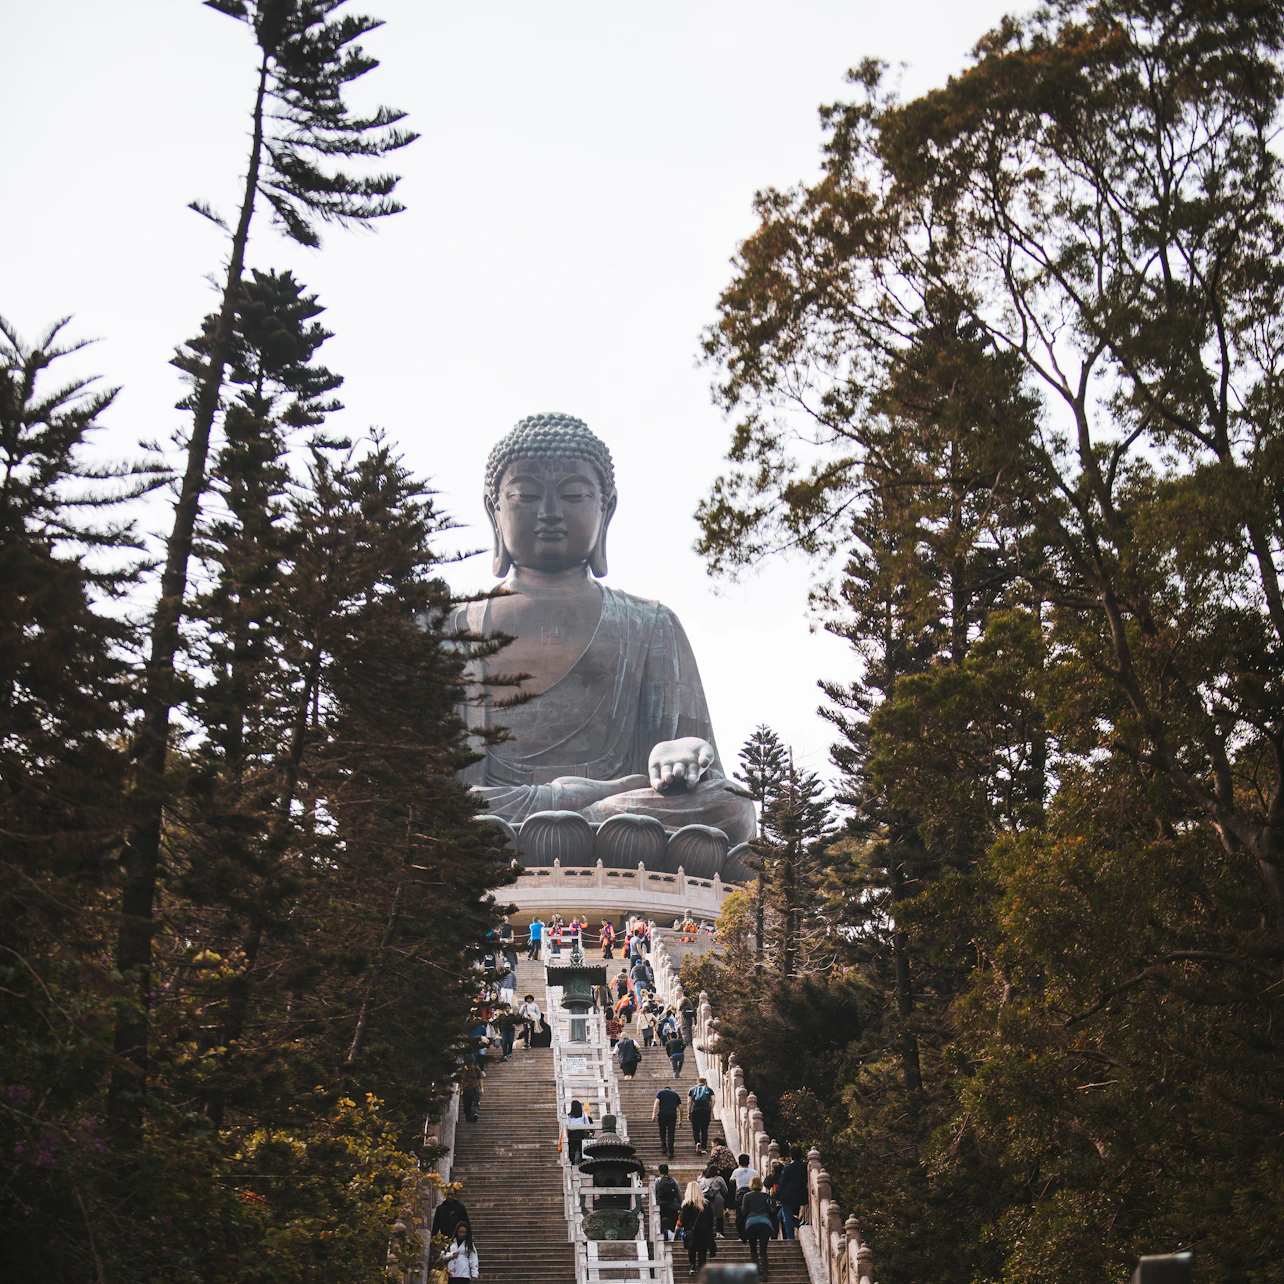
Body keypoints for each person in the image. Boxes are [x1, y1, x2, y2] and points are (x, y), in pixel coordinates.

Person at [740, 1176, 775, 1279]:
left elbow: (744, 1212)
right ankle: (764, 1272)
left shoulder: (747, 1196)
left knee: (753, 1248)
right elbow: (770, 1211)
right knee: (763, 1249)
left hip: (751, 1224)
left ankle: (756, 1271)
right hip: (765, 1223)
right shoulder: (766, 1196)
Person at [678, 1182, 714, 1275]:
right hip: (704, 1231)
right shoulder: (706, 1204)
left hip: (691, 1231)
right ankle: (702, 1268)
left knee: (691, 1249)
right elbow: (711, 1219)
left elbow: (682, 1220)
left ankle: (692, 1266)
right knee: (702, 1251)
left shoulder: (686, 1205)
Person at [775, 1145, 809, 1239]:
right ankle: (800, 1222)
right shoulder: (805, 1167)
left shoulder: (788, 1167)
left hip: (787, 1195)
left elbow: (782, 1181)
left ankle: (790, 1238)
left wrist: (777, 1194)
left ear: (791, 1155)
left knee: (787, 1217)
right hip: (800, 1194)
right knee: (780, 1216)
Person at [654, 1163, 682, 1241]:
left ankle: (663, 1238)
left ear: (659, 1171)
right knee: (672, 1223)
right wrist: (681, 1204)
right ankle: (672, 1238)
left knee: (662, 1223)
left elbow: (655, 1193)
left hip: (661, 1206)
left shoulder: (657, 1181)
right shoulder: (673, 1180)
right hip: (672, 1205)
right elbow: (678, 1194)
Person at [652, 1083, 681, 1158]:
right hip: (672, 1115)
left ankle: (664, 1147)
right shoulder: (675, 1094)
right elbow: (681, 1108)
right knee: (671, 1133)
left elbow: (656, 1103)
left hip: (662, 1114)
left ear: (665, 1088)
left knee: (662, 1131)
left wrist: (654, 1114)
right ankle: (670, 1152)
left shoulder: (660, 1092)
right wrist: (680, 1120)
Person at [700, 1163, 728, 1236]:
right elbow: (725, 1190)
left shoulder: (703, 1180)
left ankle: (708, 1232)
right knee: (719, 1217)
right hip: (718, 1198)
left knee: (708, 1216)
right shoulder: (719, 1178)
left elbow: (700, 1189)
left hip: (707, 1199)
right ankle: (719, 1232)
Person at [687, 1077, 715, 1153]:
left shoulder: (692, 1090)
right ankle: (703, 1148)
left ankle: (697, 1142)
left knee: (696, 1129)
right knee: (704, 1130)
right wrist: (710, 1110)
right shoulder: (709, 1089)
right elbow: (713, 1100)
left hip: (695, 1110)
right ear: (705, 1082)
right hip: (706, 1111)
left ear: (697, 1082)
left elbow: (689, 1102)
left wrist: (689, 1112)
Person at [564, 1099, 594, 1164]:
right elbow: (587, 1124)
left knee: (572, 1150)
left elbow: (567, 1125)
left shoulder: (569, 1116)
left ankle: (571, 1162)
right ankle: (583, 1163)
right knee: (582, 1149)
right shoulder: (583, 1114)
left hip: (572, 1134)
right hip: (581, 1133)